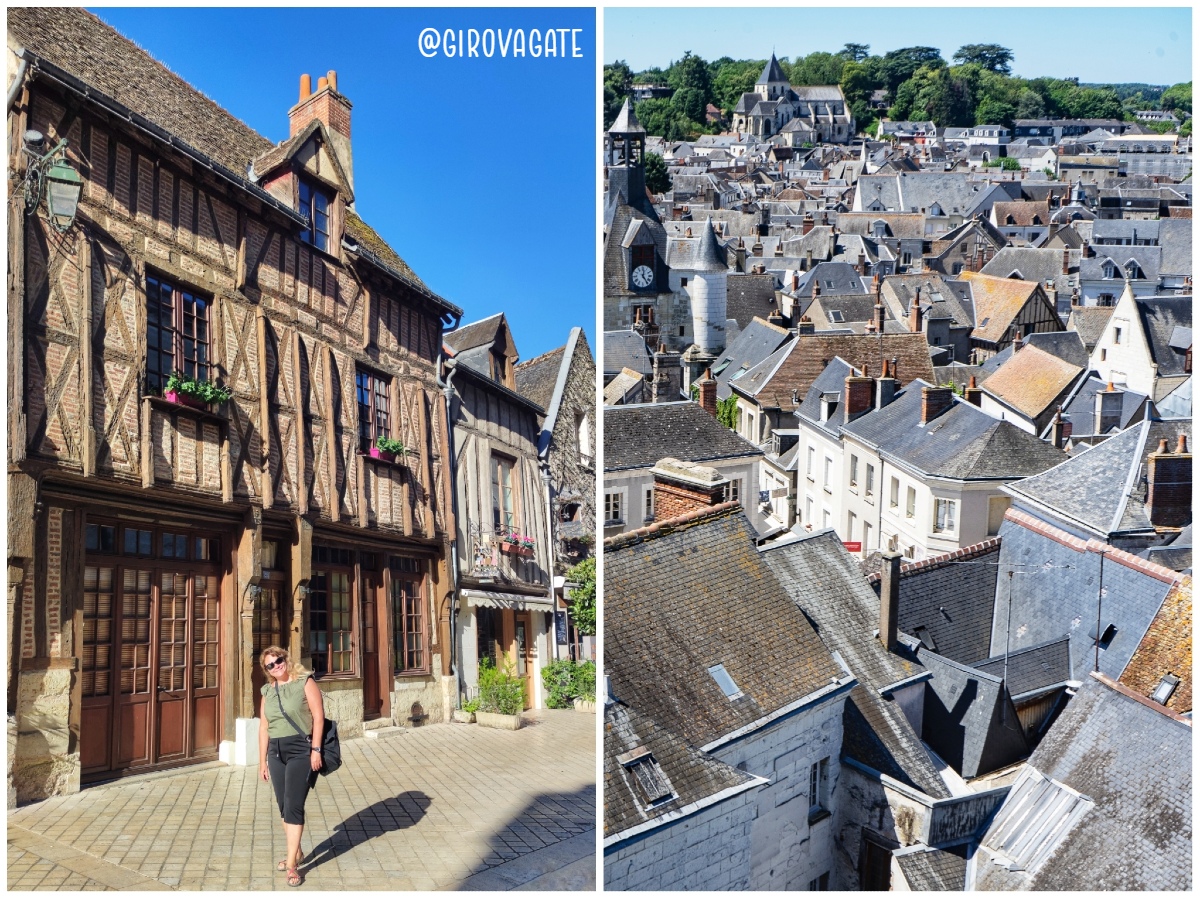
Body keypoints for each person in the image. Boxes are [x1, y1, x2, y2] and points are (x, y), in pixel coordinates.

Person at [258, 646, 325, 887]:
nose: (276, 665)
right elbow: (264, 728)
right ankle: (295, 852)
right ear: (266, 670)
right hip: (276, 752)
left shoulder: (304, 682)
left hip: (300, 750)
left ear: (286, 659)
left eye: (279, 660)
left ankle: (292, 866)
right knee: (284, 806)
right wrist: (262, 761)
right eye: (270, 665)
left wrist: (315, 749)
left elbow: (318, 717)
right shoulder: (267, 691)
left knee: (295, 806)